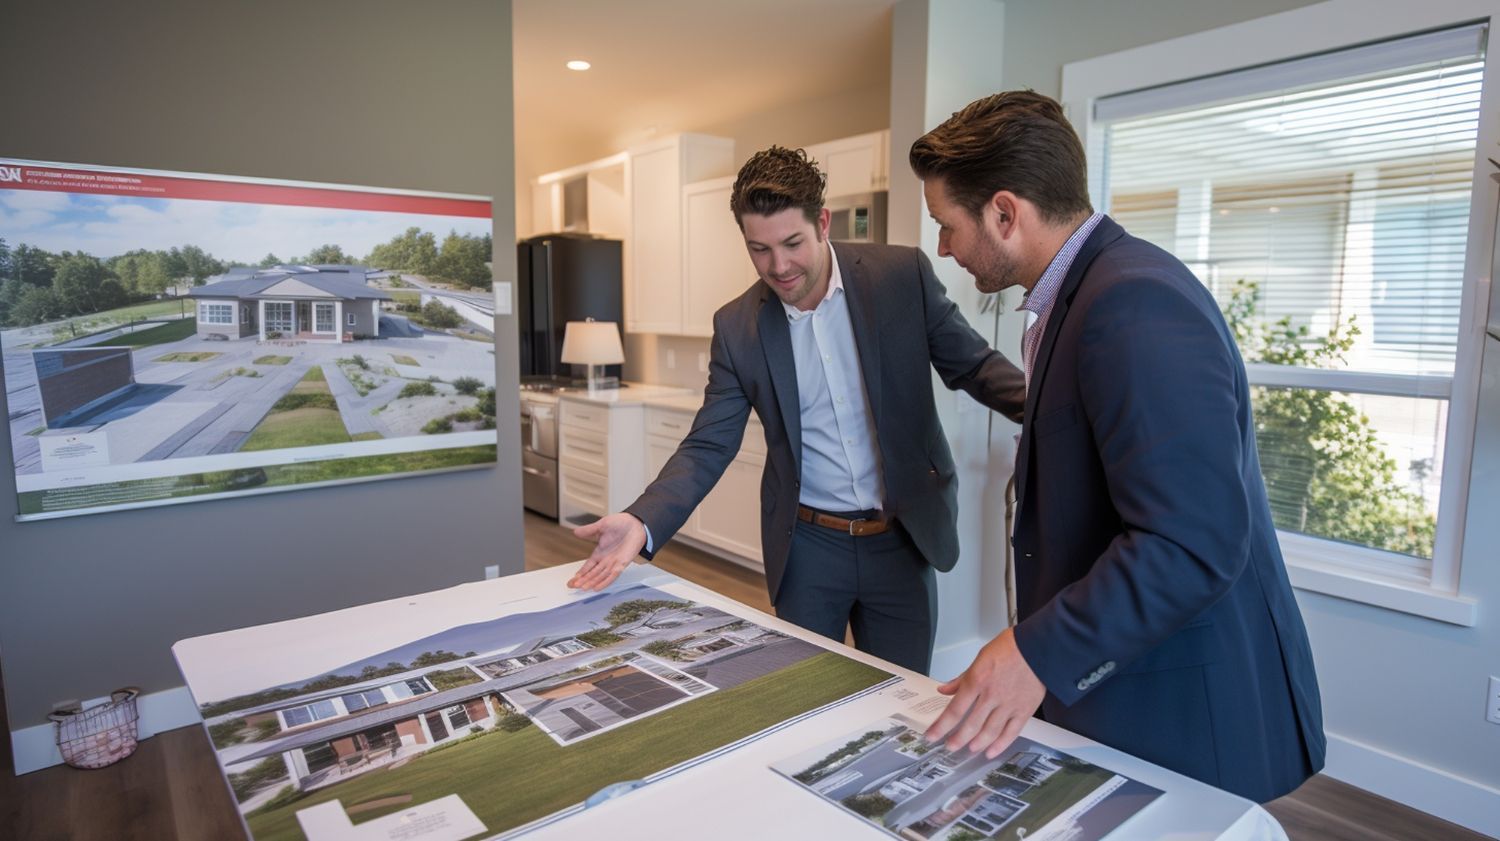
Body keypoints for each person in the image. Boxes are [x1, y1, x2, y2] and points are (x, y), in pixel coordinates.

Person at [907, 91, 1325, 802]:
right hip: (1129, 682)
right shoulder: (1086, 292)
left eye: (947, 226)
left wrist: (1035, 650)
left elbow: (1190, 542)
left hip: (1187, 709)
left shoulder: (1132, 304)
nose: (943, 248)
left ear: (1005, 213)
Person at [567, 145, 1026, 674]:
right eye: (759, 249)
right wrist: (643, 519)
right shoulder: (737, 327)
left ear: (823, 223)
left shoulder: (900, 276)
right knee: (803, 693)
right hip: (807, 548)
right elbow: (710, 442)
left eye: (791, 243)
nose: (779, 267)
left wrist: (1059, 414)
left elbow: (975, 367)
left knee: (905, 697)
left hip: (902, 539)